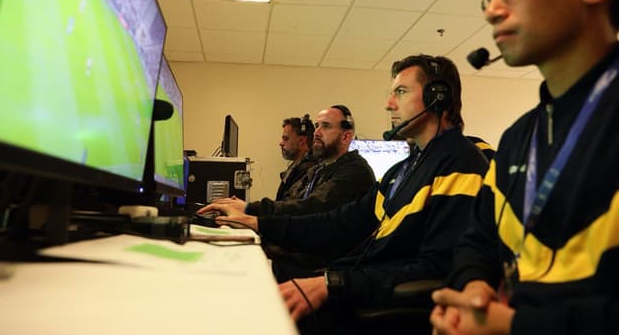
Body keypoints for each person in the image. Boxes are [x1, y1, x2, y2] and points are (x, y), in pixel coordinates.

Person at [202, 55, 489, 334]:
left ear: (438, 97)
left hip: (382, 309)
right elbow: (338, 222)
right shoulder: (402, 172)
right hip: (358, 288)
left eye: (400, 92)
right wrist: (257, 222)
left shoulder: (460, 165)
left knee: (250, 318)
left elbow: (439, 268)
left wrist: (333, 283)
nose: (389, 104)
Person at [430, 0, 619, 334]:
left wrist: (513, 326)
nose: (492, 11)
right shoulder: (520, 137)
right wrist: (473, 289)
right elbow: (475, 241)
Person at [207, 105, 376, 217]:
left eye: (325, 126)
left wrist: (250, 211)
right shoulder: (320, 169)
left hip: (316, 263)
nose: (316, 132)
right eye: (317, 125)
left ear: (346, 136)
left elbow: (308, 209)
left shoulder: (354, 171)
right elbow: (290, 204)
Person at [275, 114, 317, 201]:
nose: (281, 143)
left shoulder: (308, 171)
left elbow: (289, 207)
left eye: (286, 139)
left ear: (301, 141)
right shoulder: (297, 166)